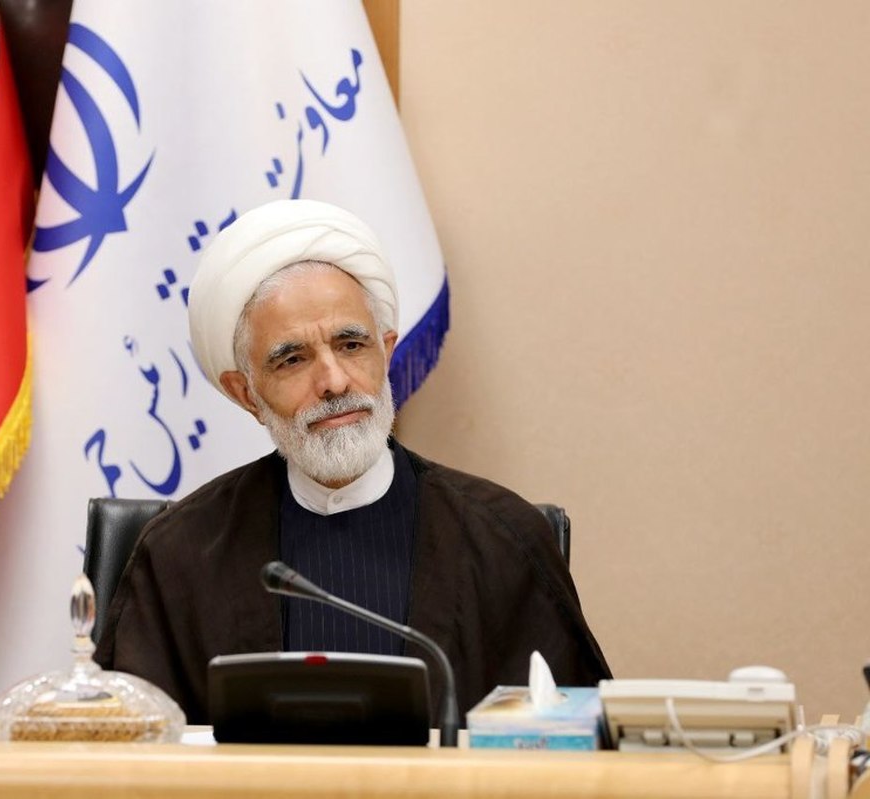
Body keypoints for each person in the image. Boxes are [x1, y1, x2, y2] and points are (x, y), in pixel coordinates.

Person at [95, 199, 610, 724]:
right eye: (292, 359)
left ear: (386, 351)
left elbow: (576, 743)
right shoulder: (180, 553)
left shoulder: (502, 538)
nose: (334, 382)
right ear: (246, 393)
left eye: (350, 345)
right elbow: (130, 747)